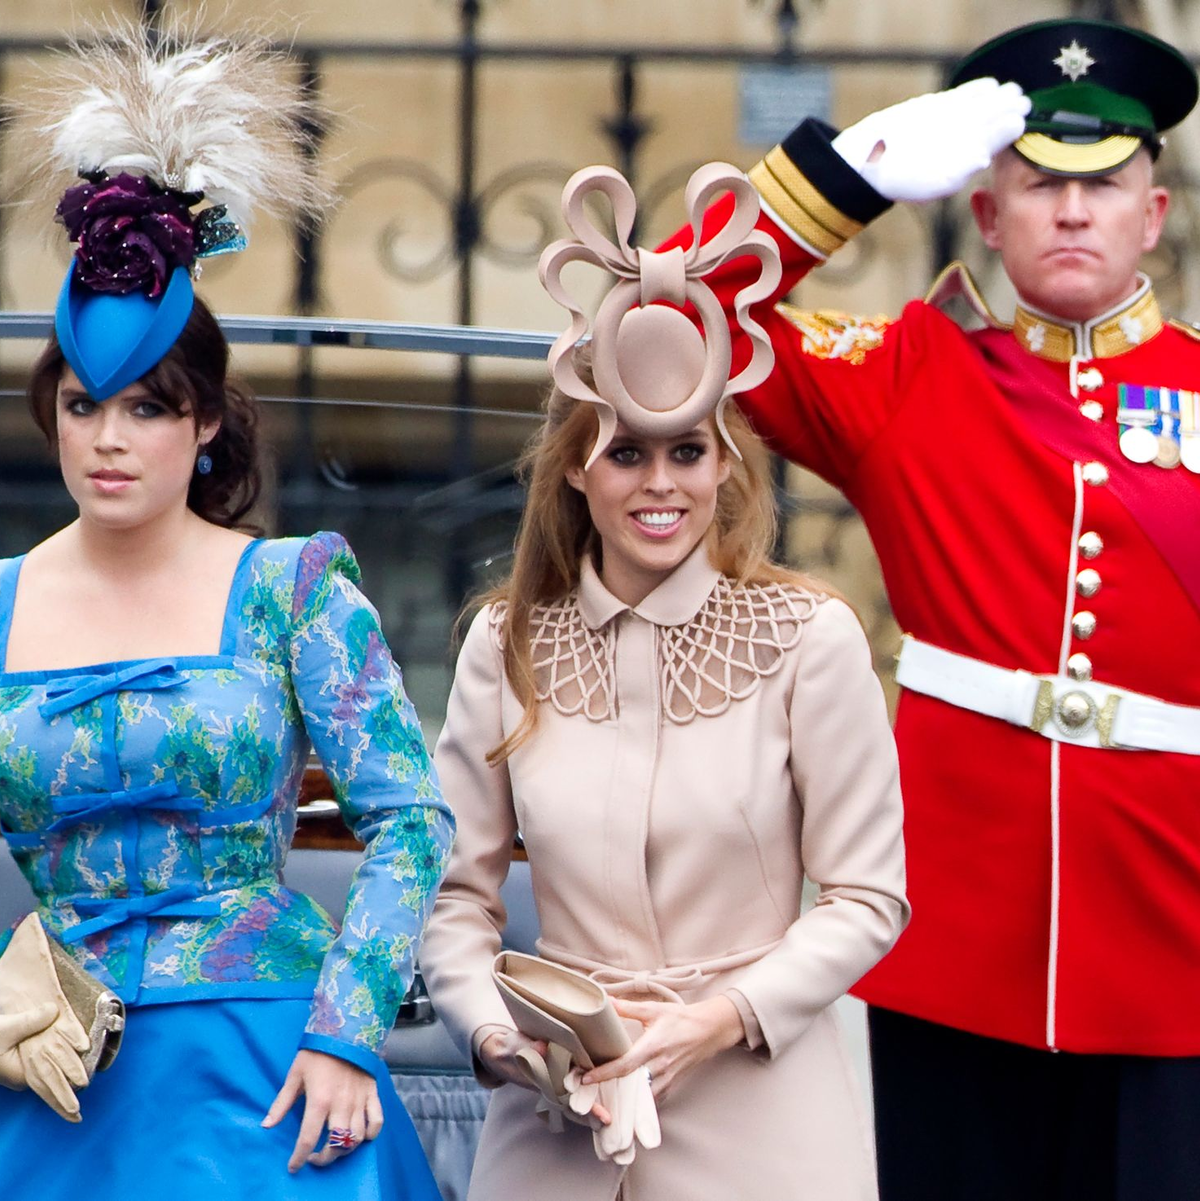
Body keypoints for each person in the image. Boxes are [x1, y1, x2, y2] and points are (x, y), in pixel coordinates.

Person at [657, 16, 1200, 1201]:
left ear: (1150, 217)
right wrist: (838, 182)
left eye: (1104, 185)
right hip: (953, 933)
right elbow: (654, 319)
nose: (1070, 212)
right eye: (1035, 186)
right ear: (985, 213)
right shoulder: (908, 372)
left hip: (1178, 941)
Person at [0, 27, 452, 1200]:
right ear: (50, 412)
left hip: (274, 1065)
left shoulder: (293, 588)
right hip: (51, 1069)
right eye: (84, 403)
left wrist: (349, 1033)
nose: (110, 437)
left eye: (148, 407)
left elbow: (409, 821)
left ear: (204, 423)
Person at [419, 163, 908, 1201]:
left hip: (763, 1103)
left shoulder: (808, 638)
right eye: (626, 452)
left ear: (726, 464)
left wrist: (719, 1017)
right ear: (577, 468)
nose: (660, 484)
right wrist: (498, 1035)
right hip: (556, 1109)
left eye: (688, 451)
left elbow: (868, 897)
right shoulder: (501, 645)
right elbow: (455, 899)